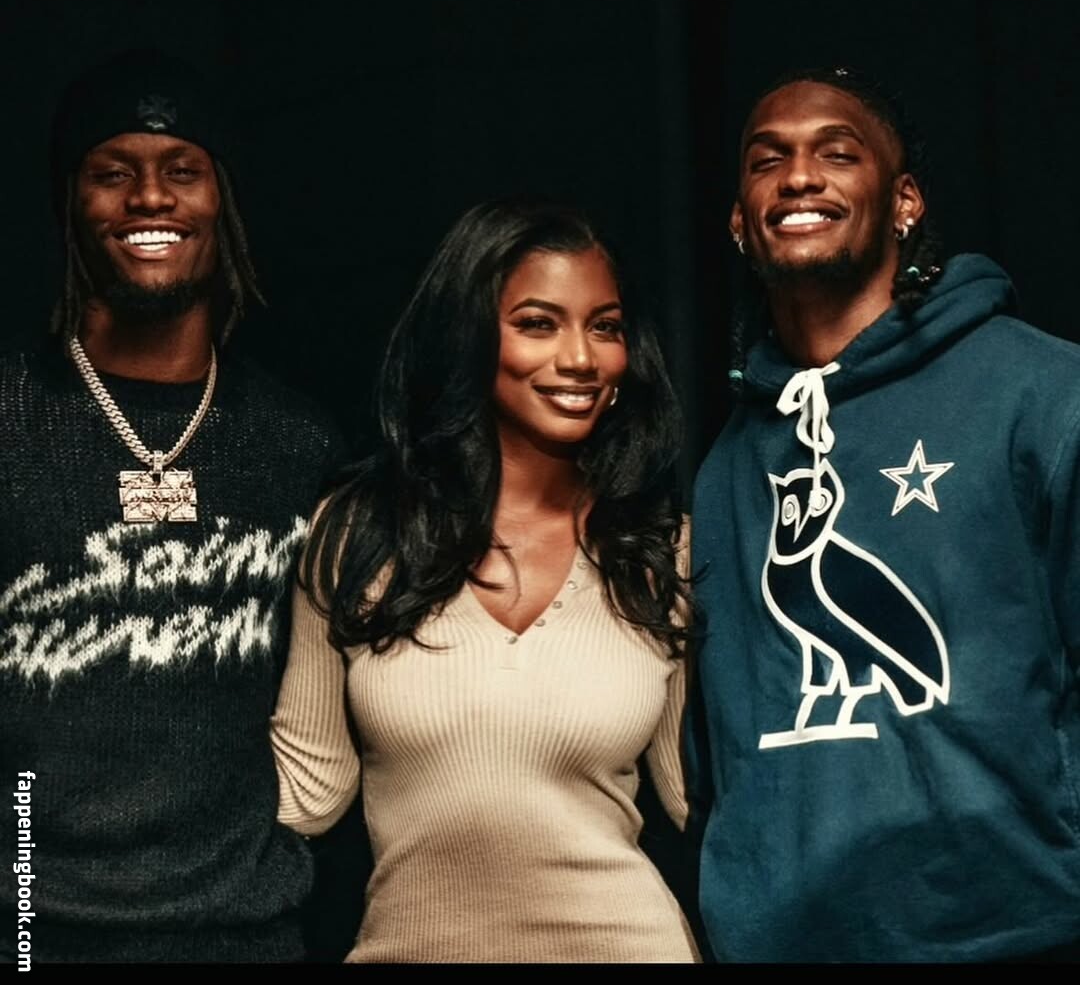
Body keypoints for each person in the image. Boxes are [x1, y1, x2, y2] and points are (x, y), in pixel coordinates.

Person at [690, 66, 1080, 962]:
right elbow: (719, 750)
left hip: (1013, 939)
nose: (798, 176)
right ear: (740, 222)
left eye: (836, 153)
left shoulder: (1041, 395)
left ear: (904, 201)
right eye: (767, 161)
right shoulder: (725, 470)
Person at [271, 198, 698, 963]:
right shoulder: (360, 533)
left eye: (605, 327)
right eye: (538, 324)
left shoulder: (661, 548)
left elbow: (691, 797)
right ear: (467, 335)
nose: (581, 359)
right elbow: (309, 789)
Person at [0, 51, 342, 963]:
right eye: (113, 174)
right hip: (32, 930)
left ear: (221, 201)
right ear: (71, 204)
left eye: (182, 171)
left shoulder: (297, 446)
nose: (150, 197)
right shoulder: (10, 421)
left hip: (243, 935)